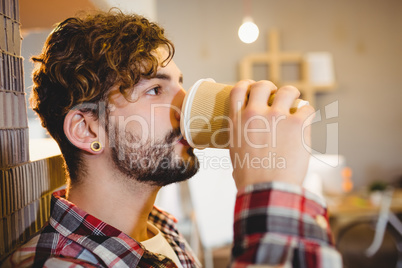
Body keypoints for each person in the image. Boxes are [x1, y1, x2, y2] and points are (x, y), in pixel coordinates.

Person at [2, 10, 342, 267]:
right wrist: (271, 189)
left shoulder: (159, 231)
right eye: (155, 89)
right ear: (88, 129)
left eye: (181, 85)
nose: (186, 106)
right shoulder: (62, 263)